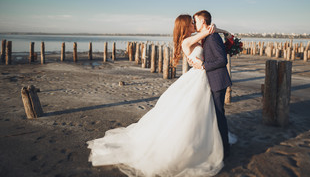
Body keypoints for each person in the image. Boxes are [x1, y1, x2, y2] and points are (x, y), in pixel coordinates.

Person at [87, 14, 230, 177]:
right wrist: (211, 29)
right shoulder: (186, 42)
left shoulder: (197, 37)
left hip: (203, 79)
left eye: (194, 22)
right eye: (191, 23)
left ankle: (206, 143)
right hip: (197, 79)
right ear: (185, 26)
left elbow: (208, 33)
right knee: (191, 113)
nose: (193, 24)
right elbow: (207, 33)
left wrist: (223, 31)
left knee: (202, 114)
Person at [189, 10, 232, 159]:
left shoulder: (212, 38)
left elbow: (222, 60)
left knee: (219, 115)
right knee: (215, 114)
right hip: (213, 79)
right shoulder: (208, 36)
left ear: (202, 21)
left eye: (196, 20)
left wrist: (204, 65)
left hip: (218, 81)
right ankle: (219, 145)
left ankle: (225, 149)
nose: (194, 23)